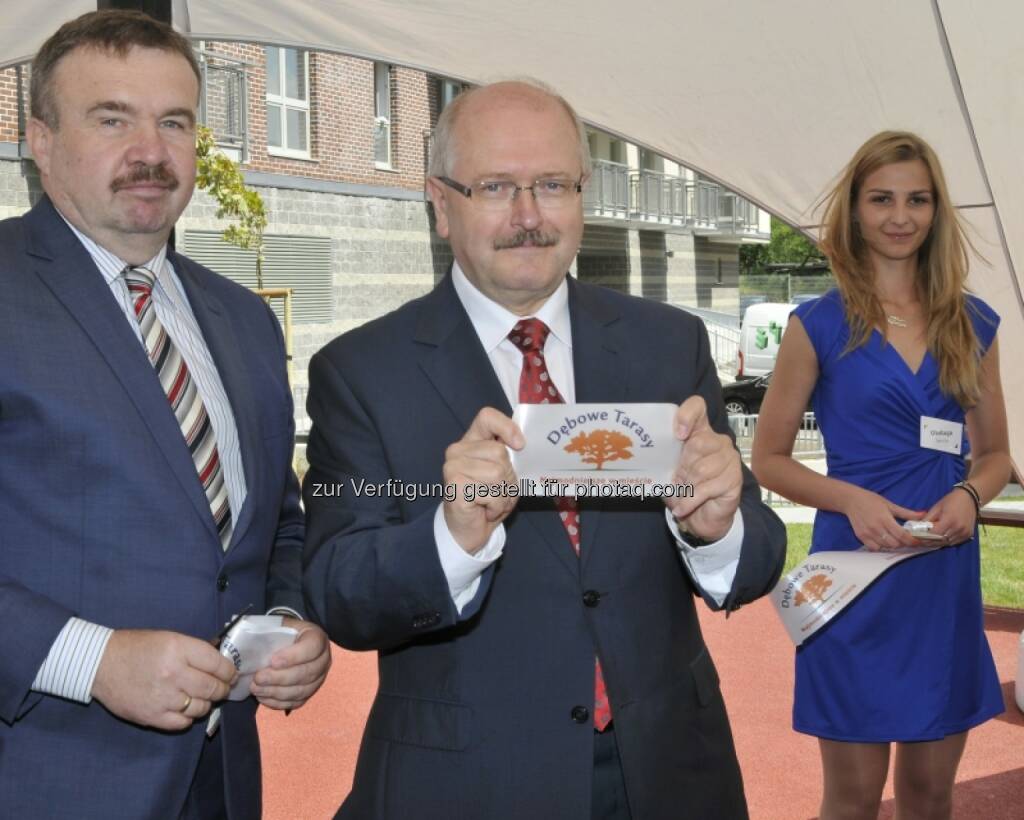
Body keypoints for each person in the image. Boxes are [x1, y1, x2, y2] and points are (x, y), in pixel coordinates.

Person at [303, 79, 786, 820]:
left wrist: (715, 528)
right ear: (440, 203)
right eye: (496, 186)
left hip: (669, 773)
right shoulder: (362, 372)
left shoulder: (668, 344)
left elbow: (754, 563)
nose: (528, 216)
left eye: (552, 184)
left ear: (582, 195)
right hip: (471, 784)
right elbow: (339, 589)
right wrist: (452, 535)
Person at [0, 11, 331, 819]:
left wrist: (287, 621)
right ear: (39, 140)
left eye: (174, 121)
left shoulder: (245, 320)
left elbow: (278, 525)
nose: (150, 151)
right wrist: (90, 660)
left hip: (221, 783)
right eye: (112, 118)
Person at [751, 131, 1008, 820]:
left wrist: (968, 494)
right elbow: (767, 458)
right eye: (882, 198)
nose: (901, 215)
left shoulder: (972, 323)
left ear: (937, 211)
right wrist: (850, 500)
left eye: (917, 199)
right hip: (855, 575)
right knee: (855, 797)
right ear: (855, 212)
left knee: (929, 795)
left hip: (940, 580)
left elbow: (996, 457)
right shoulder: (817, 326)